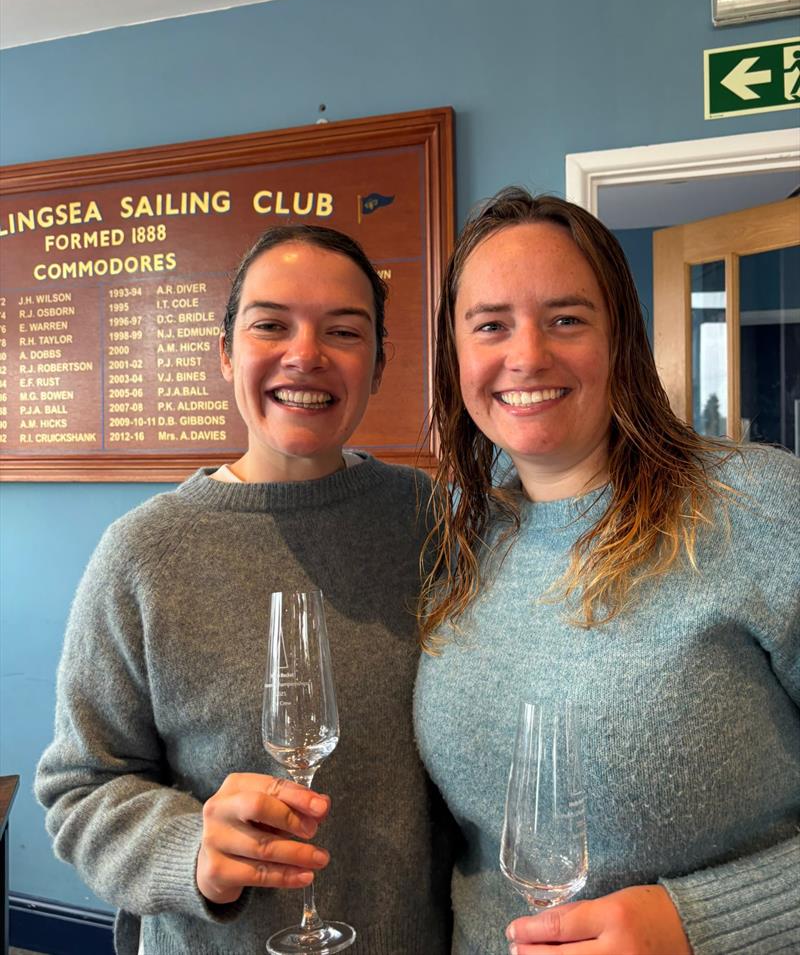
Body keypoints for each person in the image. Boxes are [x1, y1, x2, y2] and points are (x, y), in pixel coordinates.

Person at [36, 225, 453, 955]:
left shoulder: (426, 521)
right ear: (226, 351)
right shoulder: (143, 552)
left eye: (344, 330)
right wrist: (190, 846)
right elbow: (80, 788)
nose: (305, 354)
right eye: (271, 324)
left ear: (379, 365)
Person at [414, 187, 799, 955]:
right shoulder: (462, 538)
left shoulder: (763, 508)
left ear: (620, 337)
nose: (526, 355)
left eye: (566, 318)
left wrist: (702, 922)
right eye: (490, 325)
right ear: (456, 356)